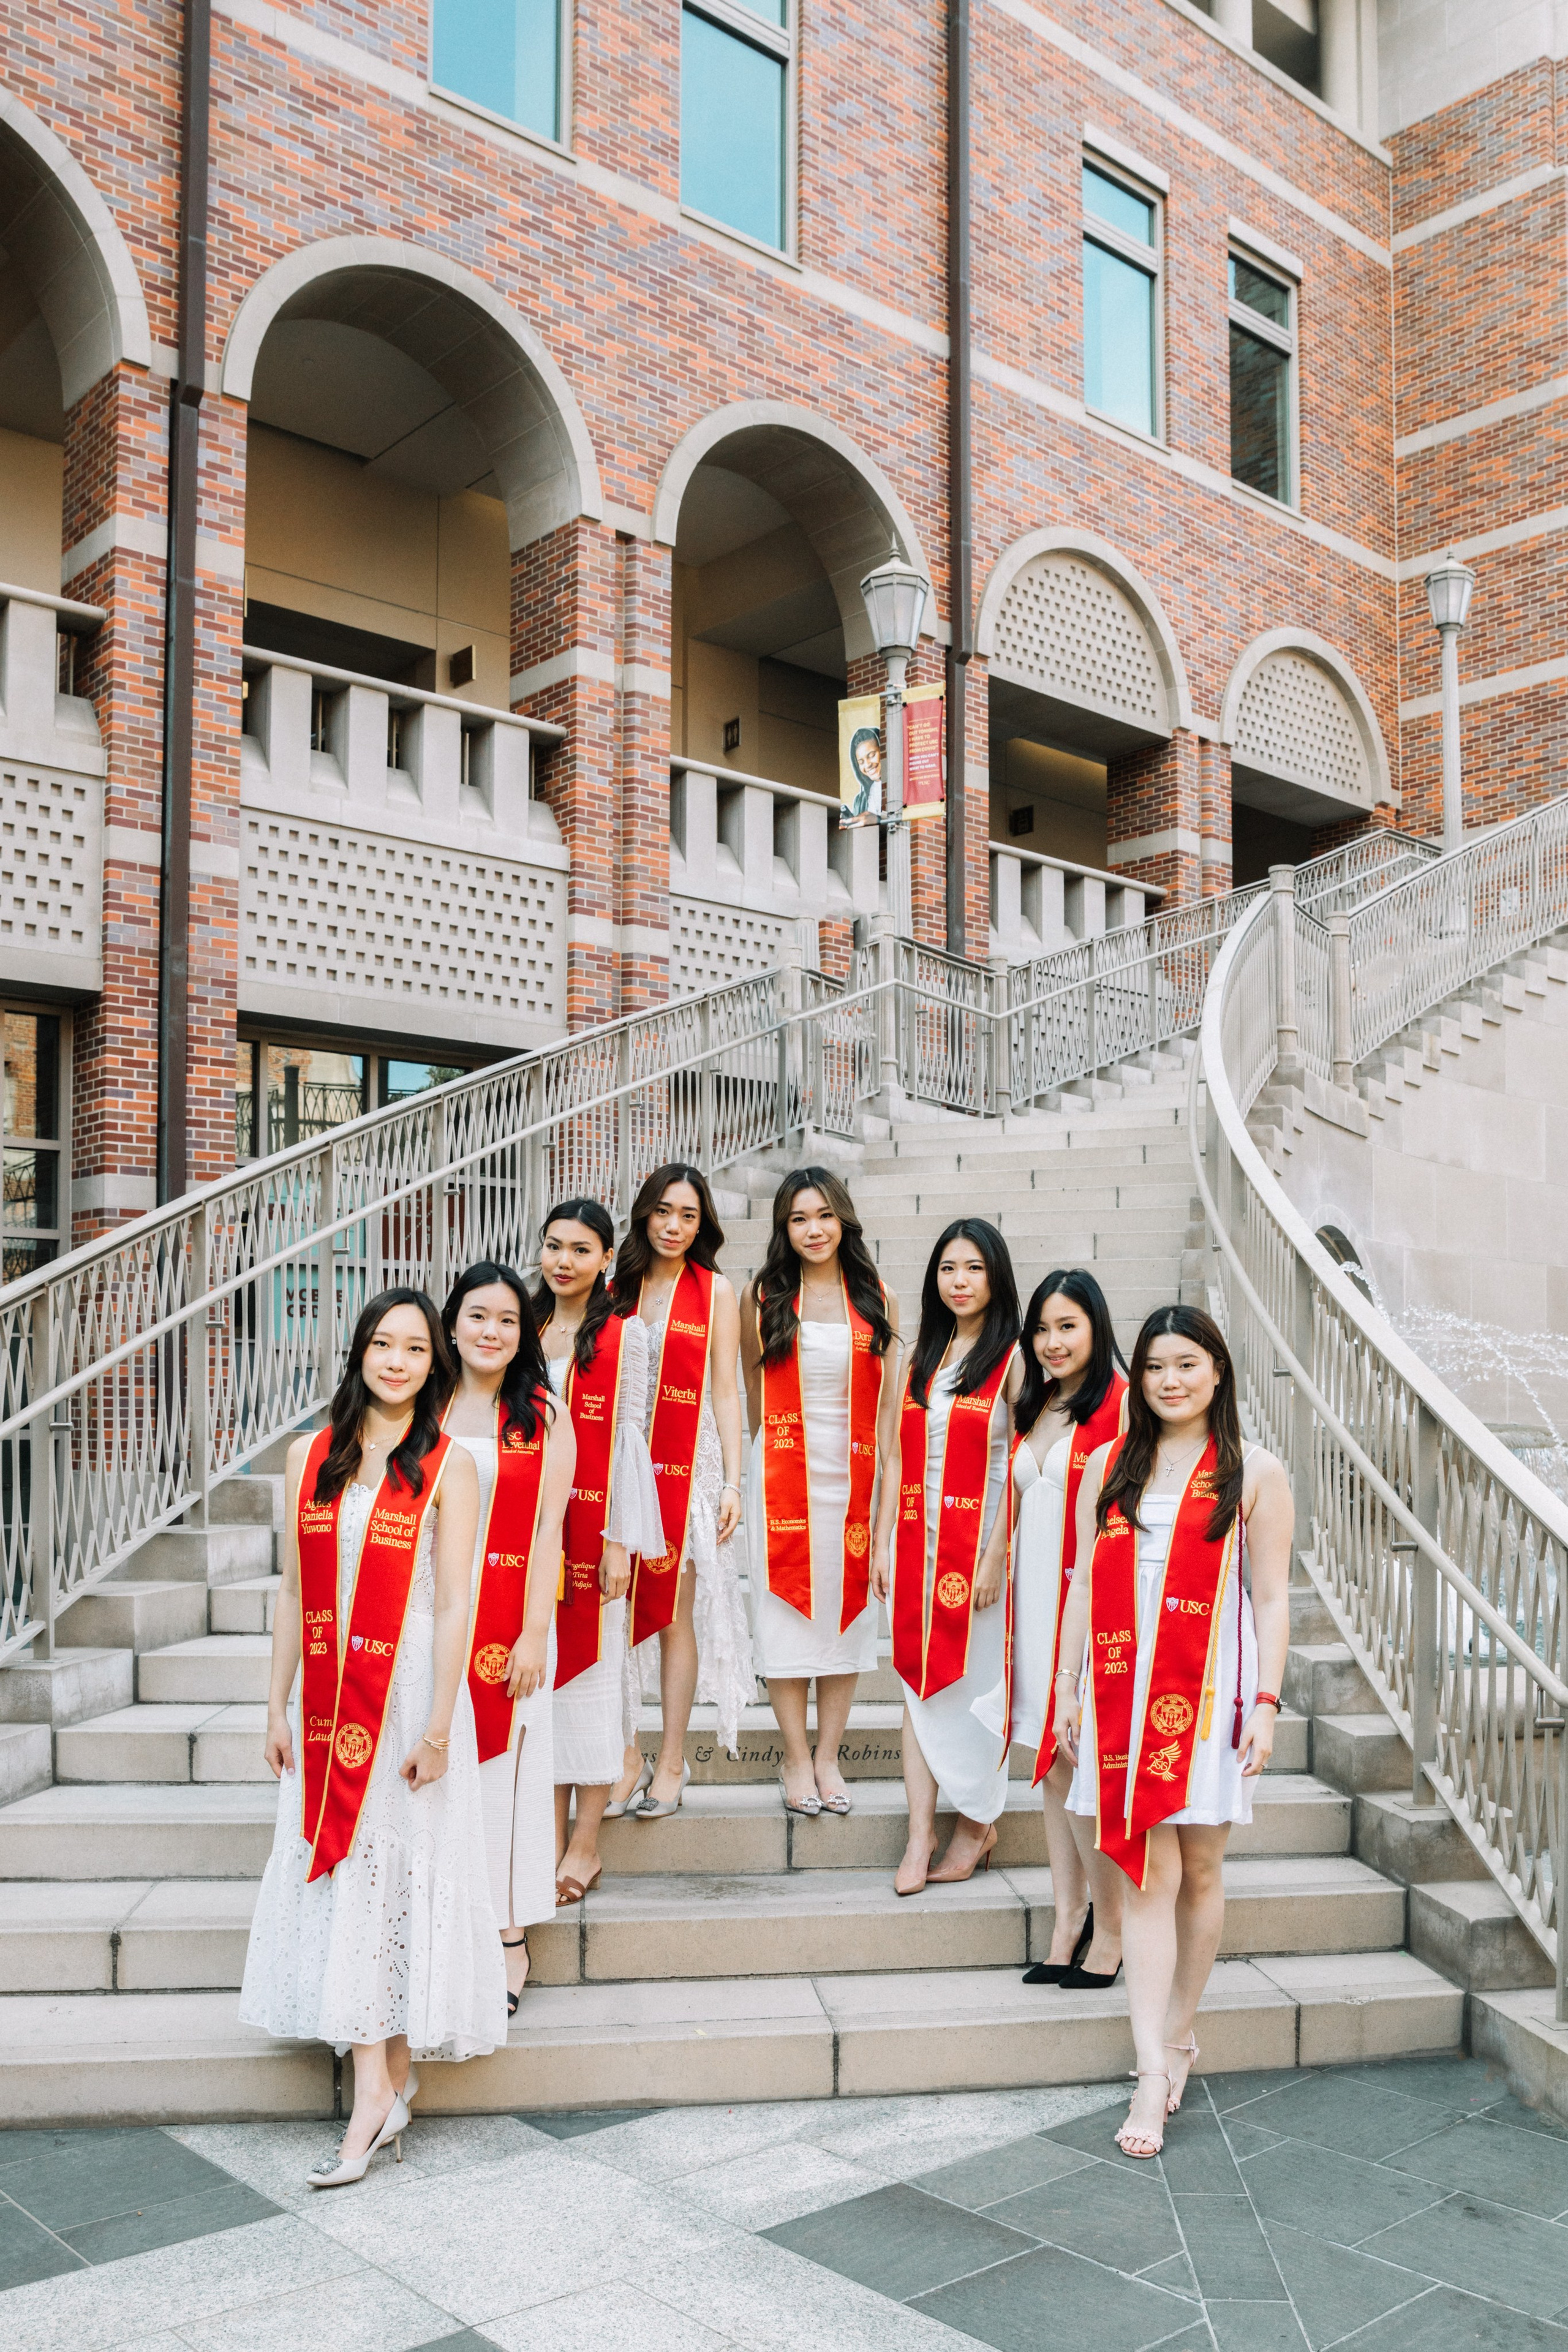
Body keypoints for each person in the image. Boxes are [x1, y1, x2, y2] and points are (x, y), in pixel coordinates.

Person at [240, 1288, 502, 2188]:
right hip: (329, 1697)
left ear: (435, 1364)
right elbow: (291, 1592)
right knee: (350, 1871)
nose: (397, 1361)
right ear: (358, 1351)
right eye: (383, 1344)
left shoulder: (451, 1464)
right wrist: (274, 1706)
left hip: (408, 1694)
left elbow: (459, 1602)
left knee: (391, 1871)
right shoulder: (309, 1455)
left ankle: (376, 2095)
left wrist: (441, 1726)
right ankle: (383, 2082)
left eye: (416, 1349)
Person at [1053, 1304, 1293, 2159]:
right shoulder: (1112, 1463)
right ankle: (1151, 2071)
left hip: (1209, 1693)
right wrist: (1068, 1686)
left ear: (1218, 1370)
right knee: (1146, 1875)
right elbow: (1085, 1583)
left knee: (1202, 1870)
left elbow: (1271, 1597)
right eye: (1154, 1366)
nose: (1169, 1380)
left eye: (1187, 1364)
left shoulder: (1253, 1471)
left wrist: (1266, 1703)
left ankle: (1181, 2029)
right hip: (1124, 1694)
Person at [973, 1270, 1129, 1987]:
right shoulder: (1036, 1404)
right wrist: (991, 1559)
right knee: (1049, 1764)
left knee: (1077, 1762)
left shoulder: (1120, 1406)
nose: (1052, 1342)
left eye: (1067, 1326)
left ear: (1096, 1326)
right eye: (1041, 1328)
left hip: (1084, 1609)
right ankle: (1068, 1918)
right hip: (1031, 1608)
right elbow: (1016, 1498)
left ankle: (1112, 1928)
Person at [739, 1167, 901, 1817]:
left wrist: (884, 1516)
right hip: (783, 1475)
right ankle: (794, 1756)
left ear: (844, 1221)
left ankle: (829, 1754)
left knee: (846, 1618)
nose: (813, 1230)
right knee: (783, 1617)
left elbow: (888, 1414)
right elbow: (753, 1396)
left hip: (852, 1477)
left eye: (825, 1215)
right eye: (799, 1218)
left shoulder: (877, 1298)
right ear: (784, 1228)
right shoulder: (763, 1297)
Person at [872, 1218, 1022, 1894]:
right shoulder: (922, 1356)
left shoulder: (1013, 1358)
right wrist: (882, 1540)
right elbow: (895, 1457)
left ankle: (975, 1824)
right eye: (948, 1268)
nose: (959, 1282)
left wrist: (996, 1555)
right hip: (916, 1543)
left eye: (974, 1268)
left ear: (996, 1278)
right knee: (917, 1686)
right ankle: (919, 1834)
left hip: (979, 1550)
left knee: (977, 1686)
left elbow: (1022, 1466)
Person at [441, 1260, 575, 2012]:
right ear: (452, 1324)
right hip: (429, 1620)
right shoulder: (421, 1404)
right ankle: (441, 1928)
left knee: (506, 1780)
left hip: (509, 1623)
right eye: (478, 1316)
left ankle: (507, 1934)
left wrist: (533, 1635)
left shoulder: (542, 1414)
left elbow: (550, 1529)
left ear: (524, 1335)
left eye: (507, 1320)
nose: (491, 1331)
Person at [607, 1164, 754, 1819]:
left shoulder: (715, 1291)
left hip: (688, 1463)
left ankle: (671, 1760)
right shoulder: (616, 1287)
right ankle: (625, 1756)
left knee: (672, 1613)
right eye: (664, 1211)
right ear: (645, 1213)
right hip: (620, 1466)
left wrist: (732, 1482)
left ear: (702, 1225)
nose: (673, 1226)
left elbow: (727, 1388)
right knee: (614, 1614)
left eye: (688, 1216)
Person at [532, 1199, 665, 1903]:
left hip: (591, 1537)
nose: (564, 1261)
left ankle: (584, 1843)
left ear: (607, 1258)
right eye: (554, 1246)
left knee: (590, 1682)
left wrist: (618, 1540)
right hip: (526, 1535)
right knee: (540, 1688)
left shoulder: (624, 1335)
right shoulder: (521, 1326)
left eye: (581, 1249)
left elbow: (628, 1441)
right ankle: (543, 1837)